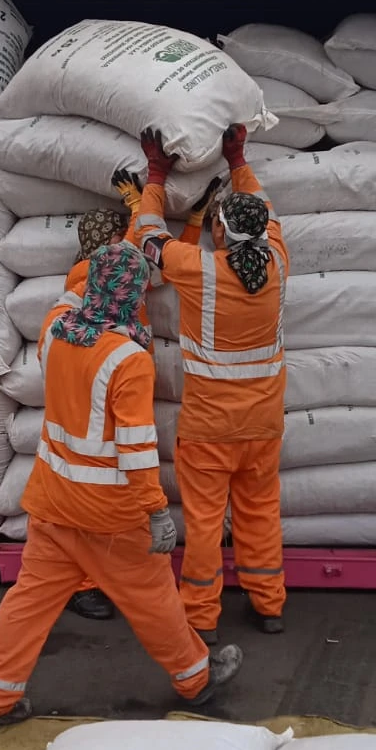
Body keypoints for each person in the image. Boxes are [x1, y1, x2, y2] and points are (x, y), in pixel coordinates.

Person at [0, 239, 245, 731]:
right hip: (111, 515)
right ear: (135, 296)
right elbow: (136, 447)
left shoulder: (54, 331)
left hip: (52, 504)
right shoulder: (128, 359)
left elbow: (74, 289)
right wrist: (157, 510)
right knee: (154, 600)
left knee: (28, 603)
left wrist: (108, 252)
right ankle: (197, 680)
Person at [122, 124, 288, 645]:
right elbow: (263, 205)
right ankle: (269, 604)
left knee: (204, 523)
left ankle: (202, 616)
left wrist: (154, 177)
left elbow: (149, 234)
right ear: (261, 232)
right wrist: (238, 160)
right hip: (262, 426)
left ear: (221, 229)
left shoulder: (198, 268)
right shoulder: (279, 260)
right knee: (261, 514)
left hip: (209, 428)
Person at [64, 190, 217, 623]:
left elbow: (161, 267)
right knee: (97, 490)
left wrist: (192, 221)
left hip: (126, 381)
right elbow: (138, 254)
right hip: (103, 390)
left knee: (118, 490)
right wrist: (140, 205)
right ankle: (85, 586)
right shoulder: (85, 275)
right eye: (117, 239)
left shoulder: (117, 271)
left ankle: (119, 582)